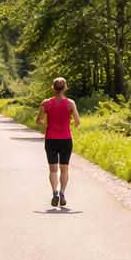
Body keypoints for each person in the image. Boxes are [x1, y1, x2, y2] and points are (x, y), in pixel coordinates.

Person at [37, 77, 81, 208]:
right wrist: (71, 121)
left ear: (53, 88)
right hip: (66, 139)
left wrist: (45, 122)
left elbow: (38, 120)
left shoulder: (46, 103)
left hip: (50, 139)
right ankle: (62, 193)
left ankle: (54, 193)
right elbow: (78, 122)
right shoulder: (70, 103)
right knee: (64, 169)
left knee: (53, 169)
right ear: (65, 87)